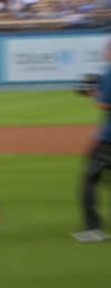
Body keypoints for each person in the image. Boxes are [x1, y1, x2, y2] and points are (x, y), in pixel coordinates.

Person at [70, 41, 111, 242]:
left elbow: (105, 104)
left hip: (107, 139)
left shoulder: (108, 71)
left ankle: (92, 229)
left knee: (89, 180)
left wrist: (94, 94)